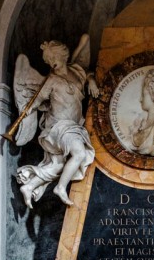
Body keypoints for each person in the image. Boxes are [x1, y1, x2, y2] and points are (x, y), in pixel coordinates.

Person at [15, 39, 98, 208]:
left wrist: (91, 81)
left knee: (59, 166)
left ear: (63, 56)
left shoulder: (76, 72)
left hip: (73, 127)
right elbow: (37, 100)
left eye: (54, 57)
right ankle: (61, 187)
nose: (51, 62)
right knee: (79, 154)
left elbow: (87, 68)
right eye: (48, 59)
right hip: (58, 127)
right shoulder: (51, 81)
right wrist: (28, 110)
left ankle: (29, 186)